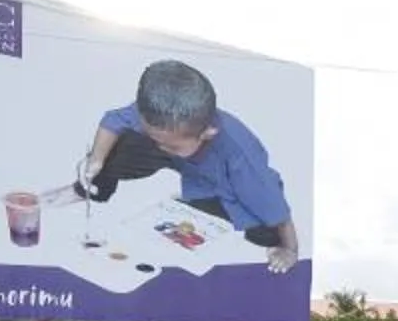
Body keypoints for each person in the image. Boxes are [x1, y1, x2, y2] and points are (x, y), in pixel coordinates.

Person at [75, 59, 300, 271]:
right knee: (120, 142)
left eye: (172, 145)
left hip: (225, 187)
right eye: (155, 139)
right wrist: (97, 161)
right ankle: (98, 187)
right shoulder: (158, 115)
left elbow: (273, 203)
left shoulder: (239, 155)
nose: (161, 147)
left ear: (207, 133)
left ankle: (243, 222)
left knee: (262, 232)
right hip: (187, 165)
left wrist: (290, 249)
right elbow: (113, 120)